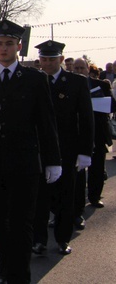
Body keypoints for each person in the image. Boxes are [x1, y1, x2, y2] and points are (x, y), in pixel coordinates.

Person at [0, 19, 61, 284]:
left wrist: (53, 161)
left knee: (21, 222)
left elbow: (46, 121)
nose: (3, 49)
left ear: (18, 46)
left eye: (8, 44)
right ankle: (7, 262)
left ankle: (19, 276)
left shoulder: (34, 79)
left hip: (24, 163)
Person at [31, 41, 92, 256]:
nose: (47, 63)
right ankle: (38, 240)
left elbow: (86, 118)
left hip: (67, 149)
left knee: (66, 197)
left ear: (60, 59)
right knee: (39, 199)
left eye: (51, 59)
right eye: (44, 59)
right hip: (39, 150)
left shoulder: (76, 82)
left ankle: (62, 239)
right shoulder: (33, 81)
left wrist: (85, 151)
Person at [72, 60, 114, 217]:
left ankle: (95, 197)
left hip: (98, 132)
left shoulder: (101, 85)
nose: (78, 70)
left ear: (88, 69)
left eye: (81, 68)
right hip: (77, 135)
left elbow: (112, 106)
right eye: (76, 68)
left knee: (97, 167)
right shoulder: (68, 85)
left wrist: (96, 104)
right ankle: (78, 207)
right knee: (78, 172)